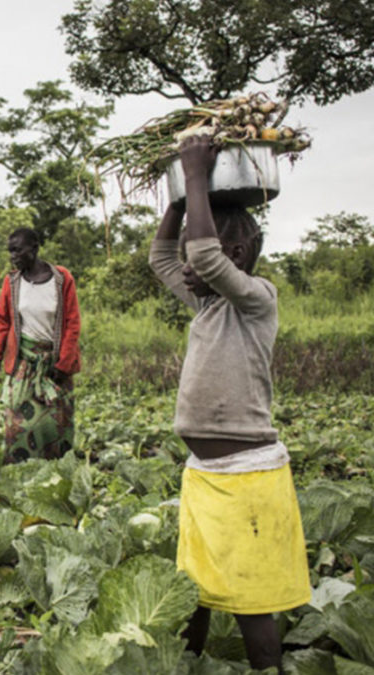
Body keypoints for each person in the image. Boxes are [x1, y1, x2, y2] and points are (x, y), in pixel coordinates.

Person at [149, 136, 310, 672]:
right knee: (194, 589)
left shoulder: (256, 299)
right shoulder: (207, 302)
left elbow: (201, 256)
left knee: (250, 603)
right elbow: (162, 257)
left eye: (213, 244)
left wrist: (195, 175)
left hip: (246, 479)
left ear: (235, 255)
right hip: (204, 477)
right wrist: (176, 197)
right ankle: (187, 664)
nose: (198, 257)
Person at [0, 228, 81, 463]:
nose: (13, 256)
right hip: (24, 362)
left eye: (18, 250)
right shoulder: (12, 282)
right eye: (10, 252)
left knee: (55, 422)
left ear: (35, 248)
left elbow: (72, 323)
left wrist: (63, 365)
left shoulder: (61, 279)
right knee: (18, 423)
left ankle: (56, 471)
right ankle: (18, 470)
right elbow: (3, 321)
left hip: (54, 362)